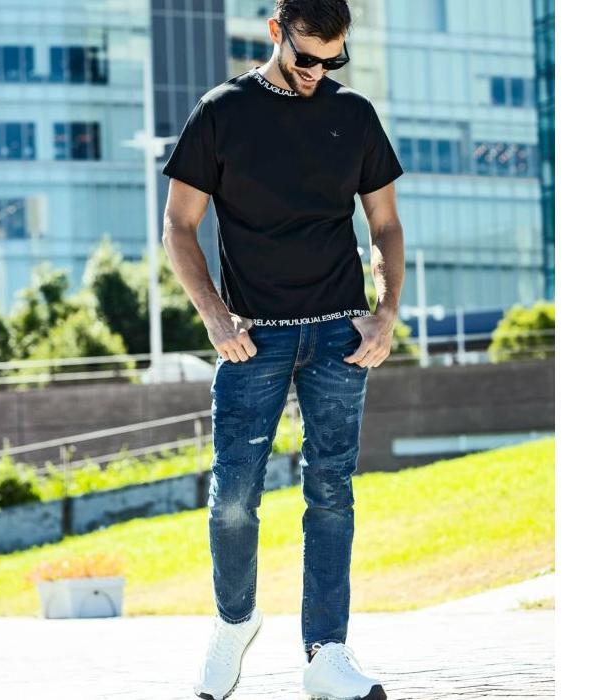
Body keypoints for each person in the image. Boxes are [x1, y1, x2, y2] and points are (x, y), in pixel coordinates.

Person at [161, 2, 404, 698]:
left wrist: (385, 312)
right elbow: (179, 225)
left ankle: (326, 653)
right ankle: (234, 622)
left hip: (339, 335)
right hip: (253, 336)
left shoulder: (353, 114)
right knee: (234, 497)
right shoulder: (221, 112)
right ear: (277, 32)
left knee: (331, 493)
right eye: (306, 56)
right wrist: (214, 316)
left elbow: (385, 225)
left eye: (333, 58)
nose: (318, 70)